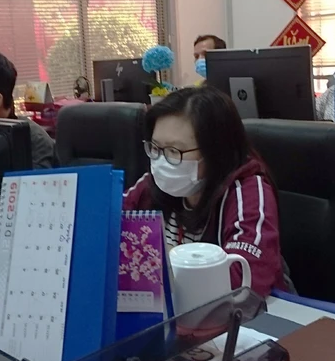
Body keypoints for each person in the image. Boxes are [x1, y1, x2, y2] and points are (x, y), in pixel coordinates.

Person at [122, 86, 288, 298]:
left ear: (215, 151)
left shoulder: (248, 192)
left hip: (248, 312)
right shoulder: (152, 184)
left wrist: (156, 262)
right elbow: (107, 224)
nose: (162, 161)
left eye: (174, 151)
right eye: (155, 148)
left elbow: (244, 279)